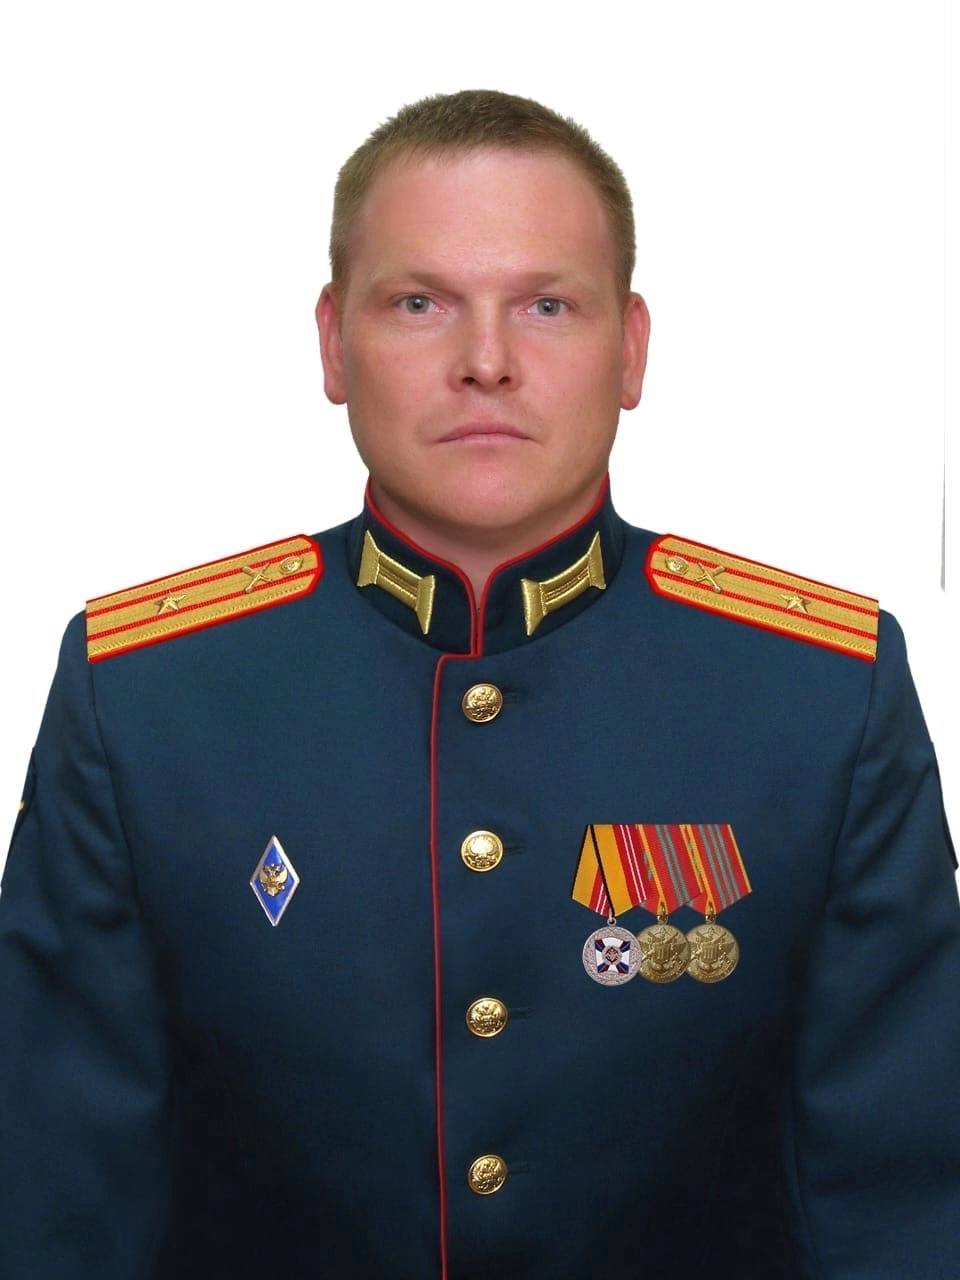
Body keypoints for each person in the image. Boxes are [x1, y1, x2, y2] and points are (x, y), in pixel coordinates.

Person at [1, 86, 958, 1280]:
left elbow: (907, 1206)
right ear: (333, 343)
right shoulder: (147, 695)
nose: (487, 363)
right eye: (420, 303)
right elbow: (54, 1203)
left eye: (547, 305)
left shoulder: (820, 694)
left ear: (631, 349)